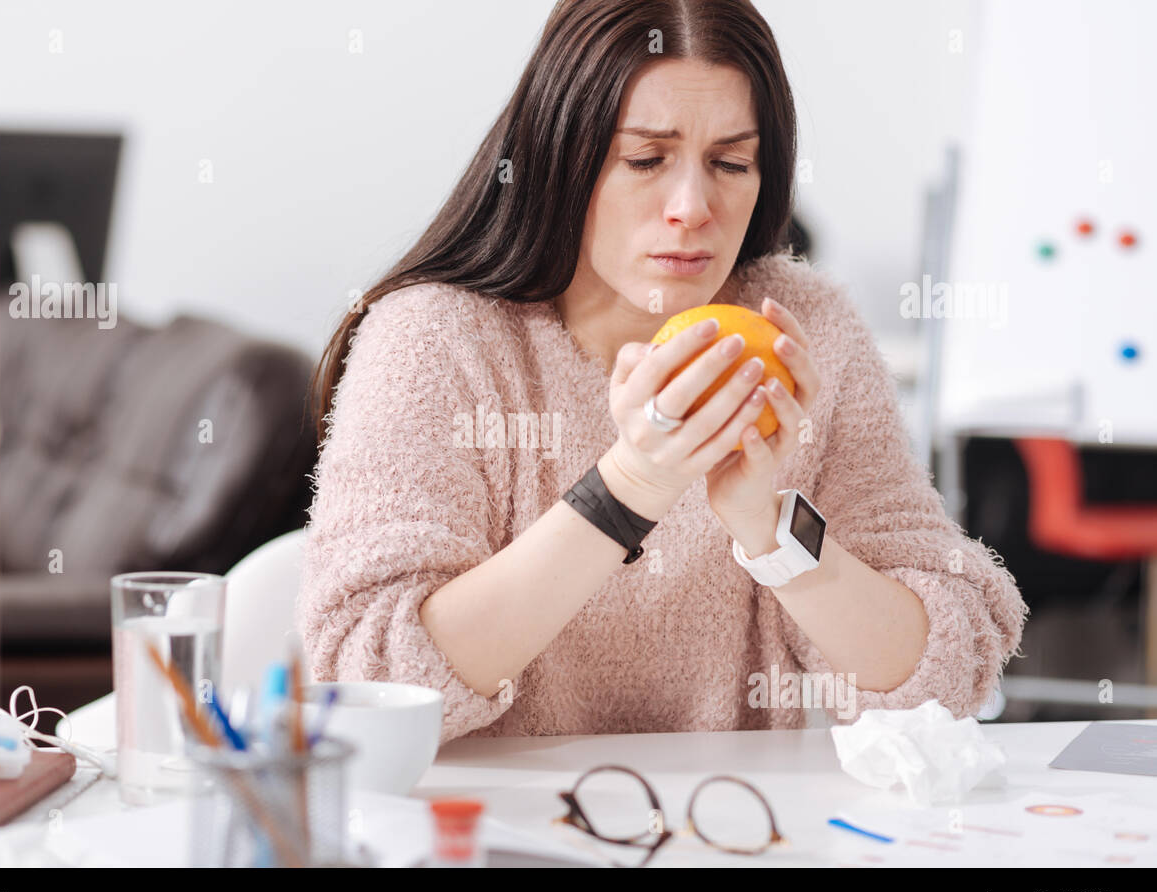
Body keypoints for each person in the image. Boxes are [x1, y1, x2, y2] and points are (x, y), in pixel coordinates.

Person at [295, 0, 1028, 745]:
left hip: (736, 834)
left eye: (730, 163)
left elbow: (944, 678)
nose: (692, 207)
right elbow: (369, 677)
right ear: (559, 155)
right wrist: (629, 487)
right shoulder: (436, 340)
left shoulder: (802, 331)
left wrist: (772, 530)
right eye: (646, 159)